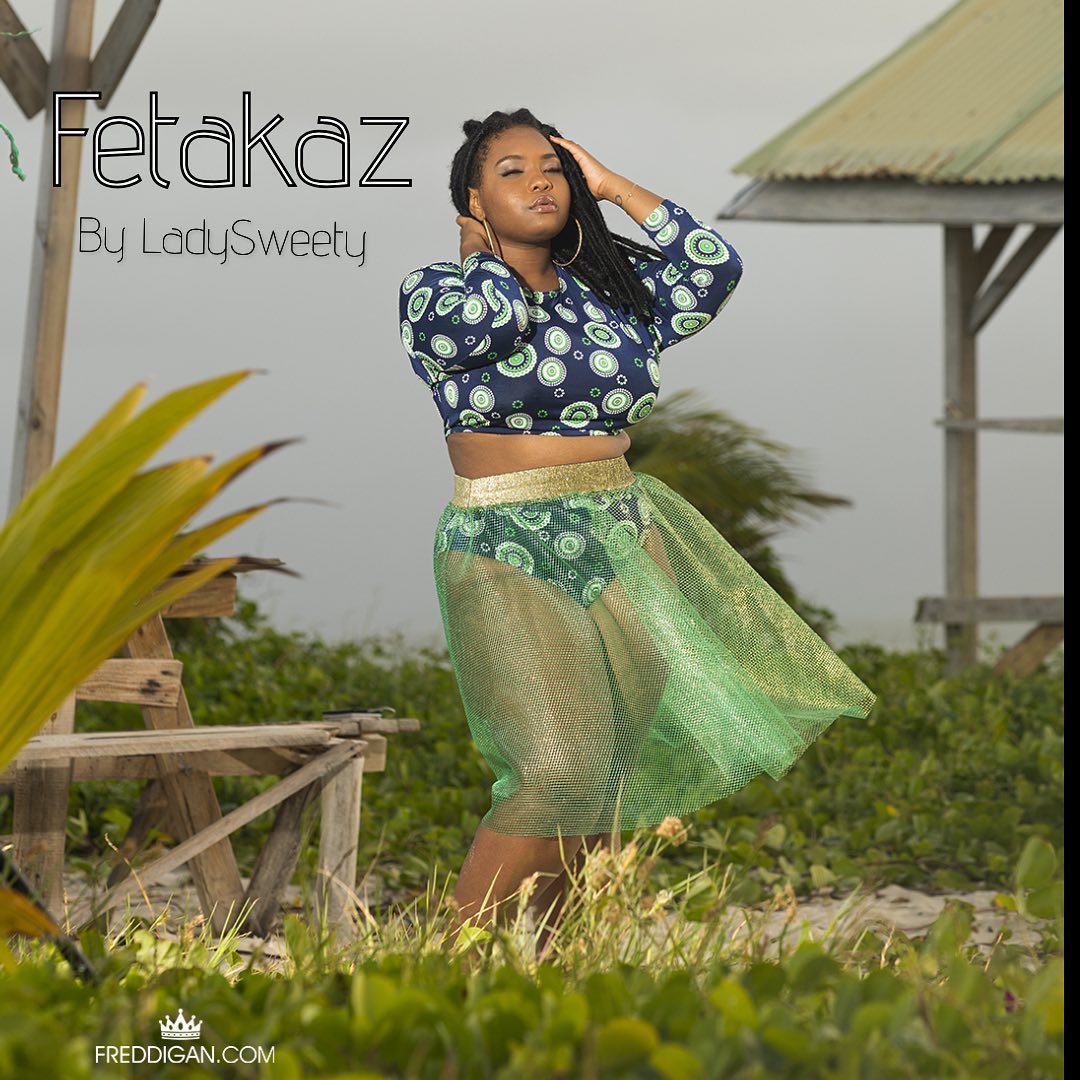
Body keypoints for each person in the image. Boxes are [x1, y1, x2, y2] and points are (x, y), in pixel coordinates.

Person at [398, 108, 877, 958]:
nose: (540, 182)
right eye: (511, 172)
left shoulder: (609, 292)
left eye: (553, 168)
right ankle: (447, 969)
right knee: (557, 770)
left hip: (622, 530)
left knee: (609, 773)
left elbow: (713, 268)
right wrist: (483, 252)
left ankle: (546, 960)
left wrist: (611, 187)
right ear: (471, 200)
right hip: (507, 534)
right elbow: (493, 325)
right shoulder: (440, 291)